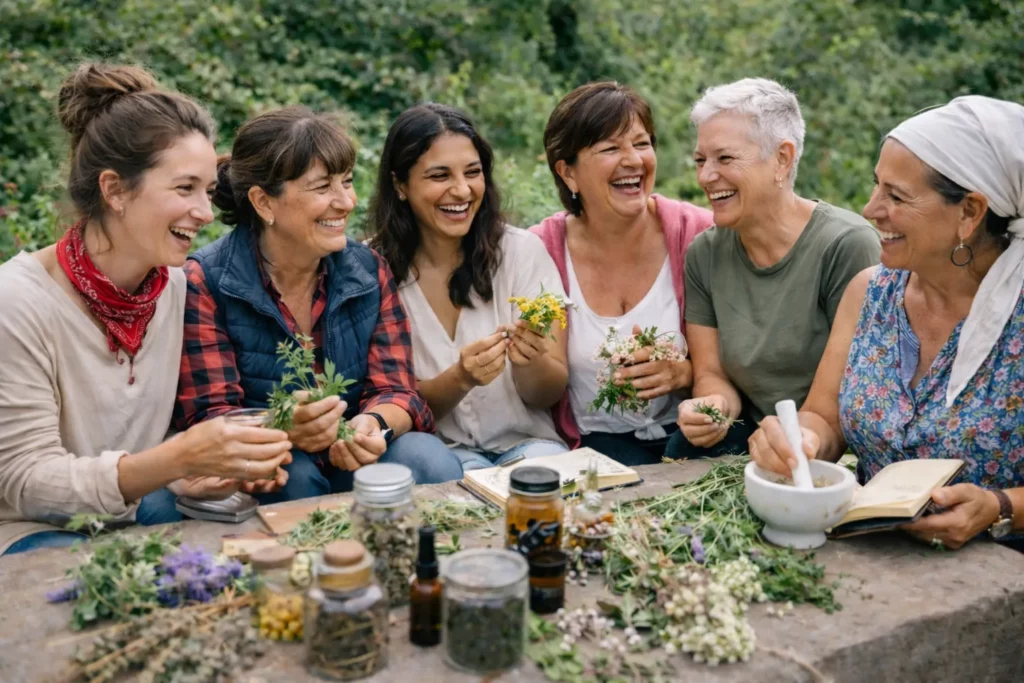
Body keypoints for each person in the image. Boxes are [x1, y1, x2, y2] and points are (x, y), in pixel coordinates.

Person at [0, 64, 293, 555]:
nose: (203, 211)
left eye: (207, 190)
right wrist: (172, 461)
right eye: (184, 189)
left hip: (137, 516)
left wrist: (190, 473)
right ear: (114, 190)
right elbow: (25, 479)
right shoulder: (17, 301)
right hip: (33, 533)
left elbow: (145, 450)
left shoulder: (177, 287)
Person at [749, 96, 1024, 551]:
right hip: (870, 555)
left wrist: (1000, 507)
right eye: (877, 187)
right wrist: (800, 441)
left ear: (970, 213)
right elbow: (825, 416)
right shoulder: (870, 292)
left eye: (895, 196)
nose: (870, 209)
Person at [175, 106, 463, 501]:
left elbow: (399, 390)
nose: (346, 201)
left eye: (346, 182)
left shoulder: (367, 269)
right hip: (267, 465)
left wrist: (373, 423)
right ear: (263, 202)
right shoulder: (205, 282)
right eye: (323, 187)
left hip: (355, 458)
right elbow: (210, 417)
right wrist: (282, 426)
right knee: (293, 473)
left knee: (426, 458)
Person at [677, 78, 880, 457]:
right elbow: (712, 375)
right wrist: (712, 408)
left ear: (782, 159)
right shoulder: (704, 253)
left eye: (724, 158)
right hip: (752, 438)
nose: (705, 176)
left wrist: (798, 442)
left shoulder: (846, 246)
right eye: (700, 160)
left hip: (828, 445)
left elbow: (854, 395)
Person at [368, 103, 569, 471]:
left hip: (527, 445)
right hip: (440, 454)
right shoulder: (371, 271)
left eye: (473, 172)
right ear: (400, 185)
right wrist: (460, 379)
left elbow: (548, 392)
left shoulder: (522, 252)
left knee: (541, 480)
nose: (461, 190)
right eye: (439, 176)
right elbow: (390, 398)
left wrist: (531, 359)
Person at [531, 81, 713, 466]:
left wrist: (684, 374)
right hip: (591, 451)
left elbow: (746, 356)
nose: (633, 160)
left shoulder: (699, 234)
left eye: (642, 143)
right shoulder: (540, 251)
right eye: (610, 148)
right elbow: (539, 385)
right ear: (568, 172)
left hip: (690, 443)